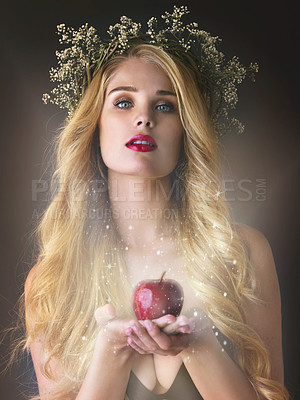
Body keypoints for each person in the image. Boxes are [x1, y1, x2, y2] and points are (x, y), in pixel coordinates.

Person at [24, 6, 289, 400]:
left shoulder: (244, 253)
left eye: (165, 106)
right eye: (123, 102)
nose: (144, 118)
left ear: (187, 131)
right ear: (93, 127)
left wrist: (199, 344)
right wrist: (110, 355)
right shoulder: (53, 281)